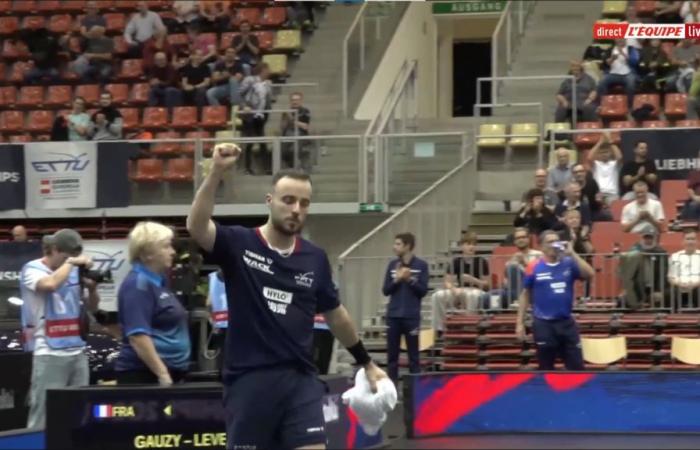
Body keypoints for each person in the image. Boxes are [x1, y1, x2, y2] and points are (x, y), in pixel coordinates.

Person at [186, 144, 387, 449]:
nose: (296, 209)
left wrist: (366, 362)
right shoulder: (240, 243)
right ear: (270, 201)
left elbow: (335, 314)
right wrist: (215, 172)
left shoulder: (314, 258)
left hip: (300, 382)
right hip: (249, 383)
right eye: (289, 200)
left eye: (304, 203)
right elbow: (197, 227)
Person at [20, 229, 100, 428]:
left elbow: (92, 308)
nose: (69, 260)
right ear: (54, 250)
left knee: (79, 415)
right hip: (49, 352)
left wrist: (92, 288)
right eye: (65, 256)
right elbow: (50, 284)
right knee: (43, 416)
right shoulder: (31, 269)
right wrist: (71, 262)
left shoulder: (71, 269)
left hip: (77, 350)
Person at [115, 221, 190, 385]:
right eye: (166, 247)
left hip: (169, 372)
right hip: (145, 376)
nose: (172, 252)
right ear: (146, 253)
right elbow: (138, 336)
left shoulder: (159, 281)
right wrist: (162, 374)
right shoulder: (138, 285)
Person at [516, 230, 595, 370]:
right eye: (550, 242)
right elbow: (525, 294)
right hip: (543, 324)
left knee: (577, 367)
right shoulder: (533, 266)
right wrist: (519, 323)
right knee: (546, 368)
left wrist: (573, 254)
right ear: (541, 246)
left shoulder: (569, 263)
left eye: (556, 241)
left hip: (566, 323)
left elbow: (590, 274)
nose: (554, 245)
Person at [382, 233, 429, 384]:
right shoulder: (392, 265)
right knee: (392, 357)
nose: (394, 247)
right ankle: (391, 393)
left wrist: (409, 279)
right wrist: (396, 280)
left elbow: (423, 291)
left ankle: (415, 393)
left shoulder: (421, 265)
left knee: (414, 357)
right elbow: (385, 290)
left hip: (411, 316)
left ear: (407, 246)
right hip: (393, 316)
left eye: (398, 244)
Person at [430, 233, 490, 334]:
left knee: (471, 295)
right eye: (468, 244)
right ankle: (439, 329)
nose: (471, 246)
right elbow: (447, 281)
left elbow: (487, 285)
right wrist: (453, 289)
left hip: (477, 291)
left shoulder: (482, 261)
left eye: (473, 244)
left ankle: (470, 327)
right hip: (460, 290)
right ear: (462, 245)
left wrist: (473, 280)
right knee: (437, 296)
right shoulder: (456, 261)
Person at [502, 227, 543, 308]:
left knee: (513, 268)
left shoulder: (539, 255)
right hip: (513, 292)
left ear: (528, 239)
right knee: (488, 297)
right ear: (514, 241)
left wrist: (525, 263)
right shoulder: (512, 259)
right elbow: (505, 283)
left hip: (534, 290)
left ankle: (519, 301)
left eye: (523, 237)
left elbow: (540, 275)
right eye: (518, 238)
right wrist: (511, 263)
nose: (520, 240)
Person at [668, 228, 700, 309]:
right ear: (683, 241)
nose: (690, 242)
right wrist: (680, 284)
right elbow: (671, 277)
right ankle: (674, 318)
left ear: (697, 241)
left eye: (692, 239)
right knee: (669, 293)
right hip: (679, 287)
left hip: (697, 287)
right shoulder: (675, 256)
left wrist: (694, 284)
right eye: (688, 239)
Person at [280, 92, 312, 171]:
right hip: (287, 135)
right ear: (290, 101)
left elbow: (305, 126)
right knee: (281, 150)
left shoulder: (305, 111)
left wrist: (292, 120)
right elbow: (282, 127)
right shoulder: (287, 112)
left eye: (297, 100)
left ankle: (296, 168)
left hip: (301, 135)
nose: (295, 102)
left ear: (301, 101)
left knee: (293, 149)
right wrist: (284, 119)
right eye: (293, 100)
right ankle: (290, 167)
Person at [588, 132, 623, 204]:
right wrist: (600, 142)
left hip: (612, 194)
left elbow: (619, 157)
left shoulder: (614, 164)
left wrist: (610, 140)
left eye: (606, 152)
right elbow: (589, 158)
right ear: (598, 154)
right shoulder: (596, 164)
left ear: (610, 153)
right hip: (598, 194)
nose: (604, 154)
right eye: (602, 152)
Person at [207, 269, 228, 371]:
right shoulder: (240, 274)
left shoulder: (213, 277)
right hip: (235, 322)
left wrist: (213, 320)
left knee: (221, 353)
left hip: (219, 322)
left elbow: (209, 304)